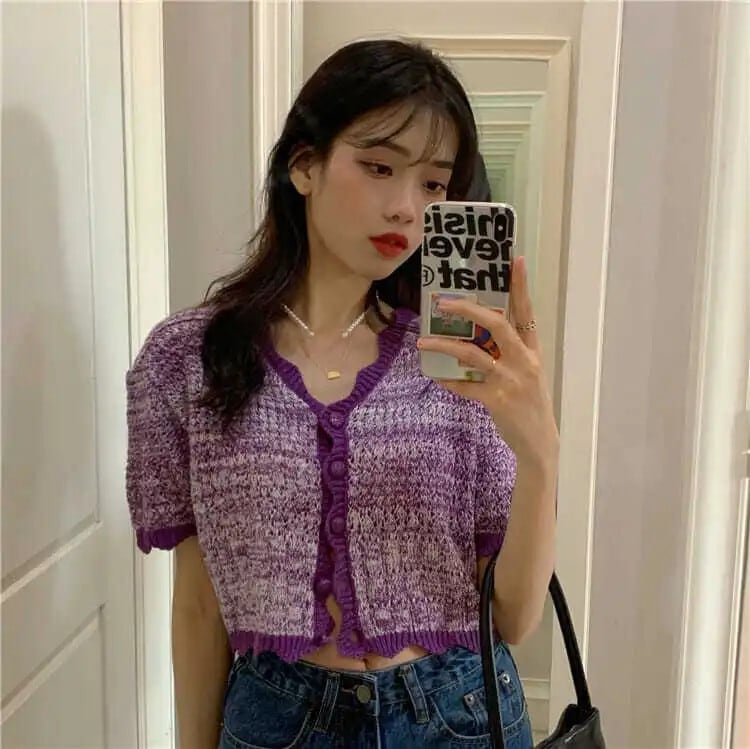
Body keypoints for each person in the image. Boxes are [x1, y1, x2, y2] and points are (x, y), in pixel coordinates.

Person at [126, 38, 558, 749]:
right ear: (304, 164)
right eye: (379, 166)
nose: (406, 208)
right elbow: (199, 607)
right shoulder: (189, 359)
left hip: (458, 715)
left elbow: (512, 617)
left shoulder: (457, 366)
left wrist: (540, 452)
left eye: (433, 184)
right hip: (280, 719)